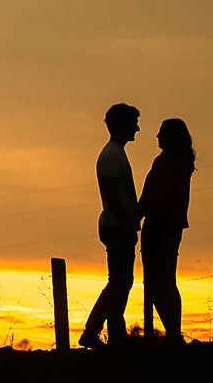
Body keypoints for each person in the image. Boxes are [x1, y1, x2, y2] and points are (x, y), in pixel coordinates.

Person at [79, 103, 140, 350]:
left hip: (117, 224)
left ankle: (111, 334)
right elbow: (112, 193)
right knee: (120, 282)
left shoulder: (115, 153)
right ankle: (98, 333)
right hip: (116, 225)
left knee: (120, 282)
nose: (137, 128)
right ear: (122, 124)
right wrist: (127, 223)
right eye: (134, 123)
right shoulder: (112, 155)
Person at [139, 118, 195, 344]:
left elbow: (182, 200)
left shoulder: (181, 163)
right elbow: (147, 195)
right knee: (152, 283)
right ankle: (172, 333)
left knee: (166, 282)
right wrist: (133, 219)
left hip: (167, 226)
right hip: (151, 224)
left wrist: (172, 233)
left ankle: (173, 333)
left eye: (161, 132)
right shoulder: (159, 161)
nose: (157, 136)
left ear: (171, 136)